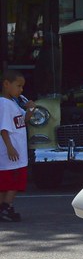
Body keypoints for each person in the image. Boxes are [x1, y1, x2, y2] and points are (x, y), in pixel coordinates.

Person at [0, 70, 34, 221]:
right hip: (12, 154)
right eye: (18, 86)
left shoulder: (12, 103)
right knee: (13, 181)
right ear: (6, 84)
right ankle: (7, 206)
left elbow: (23, 119)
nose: (21, 90)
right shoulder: (5, 104)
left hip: (16, 153)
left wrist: (31, 109)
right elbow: (4, 129)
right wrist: (10, 147)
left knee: (6, 182)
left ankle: (3, 208)